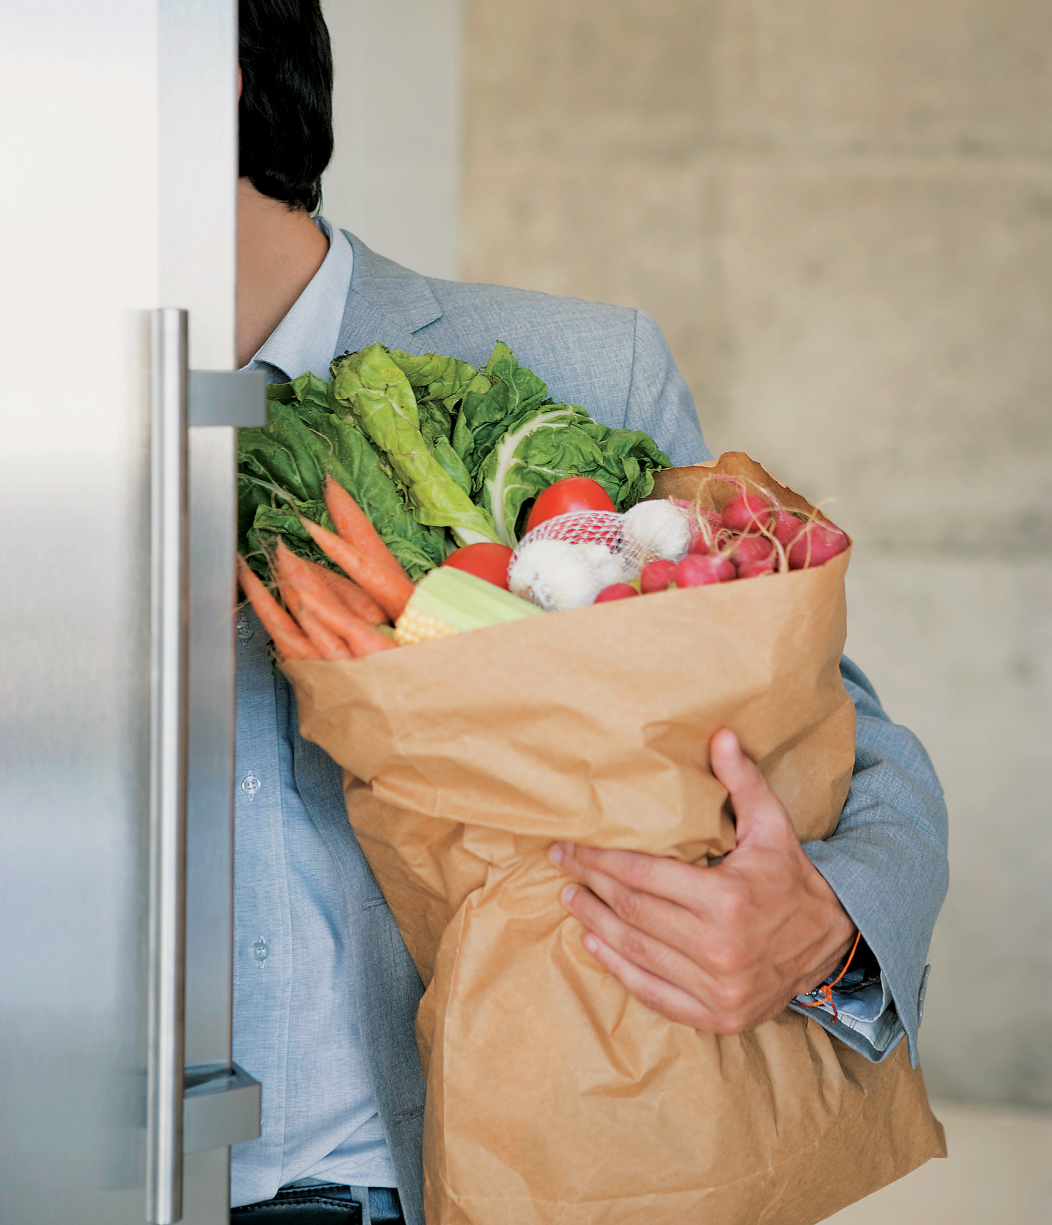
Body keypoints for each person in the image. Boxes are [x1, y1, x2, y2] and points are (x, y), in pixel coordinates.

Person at [230, 4, 948, 1222]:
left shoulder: (573, 367)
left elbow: (843, 742)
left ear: (210, 89)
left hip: (477, 1181)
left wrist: (822, 931)